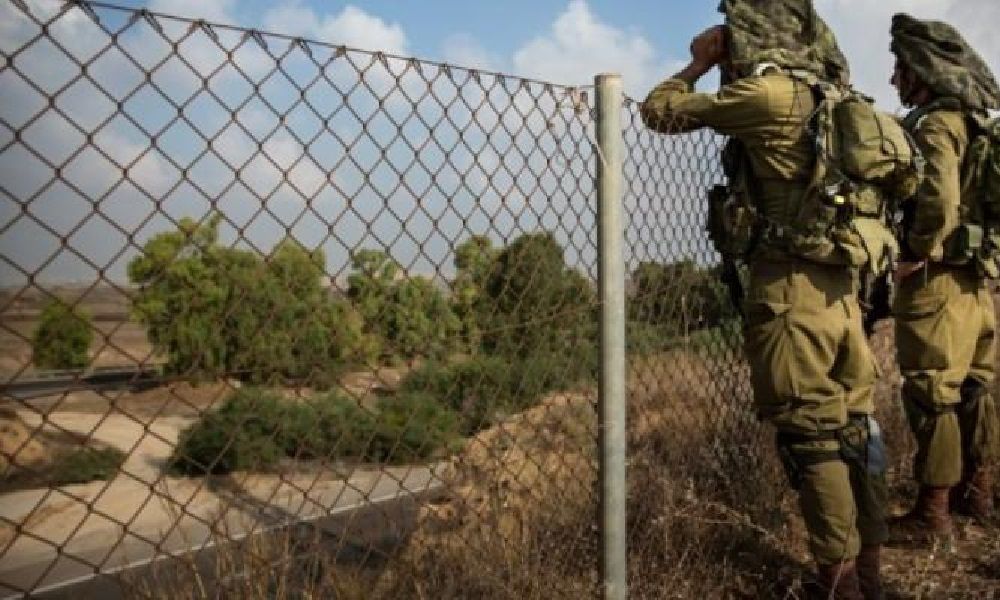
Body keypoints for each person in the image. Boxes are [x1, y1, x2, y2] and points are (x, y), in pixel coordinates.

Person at [641, 1, 896, 598]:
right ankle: (870, 574)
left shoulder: (769, 96)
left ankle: (839, 584)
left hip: (790, 296)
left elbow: (659, 112)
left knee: (812, 439)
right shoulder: (838, 99)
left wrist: (698, 63)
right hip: (843, 294)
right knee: (855, 427)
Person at [888, 13, 1000, 543]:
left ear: (921, 72)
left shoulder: (935, 125)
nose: (894, 79)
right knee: (974, 387)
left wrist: (914, 250)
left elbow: (940, 199)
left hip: (937, 283)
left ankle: (932, 517)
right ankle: (977, 495)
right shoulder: (974, 122)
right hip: (976, 283)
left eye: (900, 69)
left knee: (932, 394)